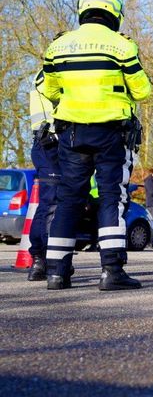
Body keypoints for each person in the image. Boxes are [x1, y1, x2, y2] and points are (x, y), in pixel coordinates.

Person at [42, 0, 151, 291]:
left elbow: (49, 90)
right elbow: (142, 90)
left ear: (83, 9)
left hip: (71, 133)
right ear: (114, 11)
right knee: (110, 198)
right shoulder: (122, 46)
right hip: (110, 134)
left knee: (68, 200)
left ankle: (56, 272)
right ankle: (112, 271)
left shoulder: (58, 46)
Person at [26, 69, 61, 281]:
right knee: (53, 203)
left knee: (47, 204)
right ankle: (49, 259)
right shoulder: (50, 72)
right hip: (50, 143)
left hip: (47, 142)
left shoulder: (45, 72)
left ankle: (41, 259)